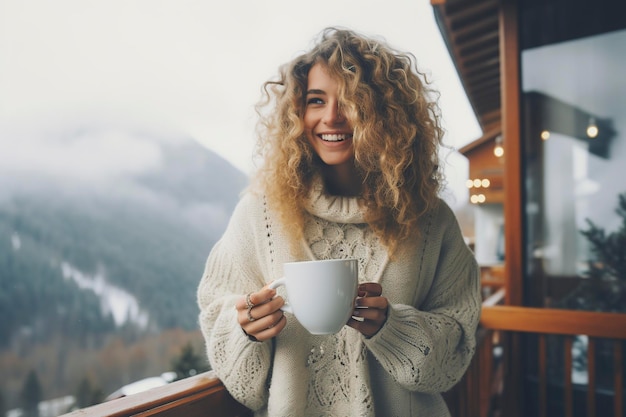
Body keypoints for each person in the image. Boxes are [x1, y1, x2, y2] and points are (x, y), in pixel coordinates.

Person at [197, 27, 481, 417]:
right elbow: (221, 325)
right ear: (298, 112)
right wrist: (245, 329)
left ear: (386, 113)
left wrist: (391, 328)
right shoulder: (260, 213)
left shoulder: (431, 221)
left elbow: (454, 356)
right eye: (316, 100)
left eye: (352, 100)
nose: (331, 117)